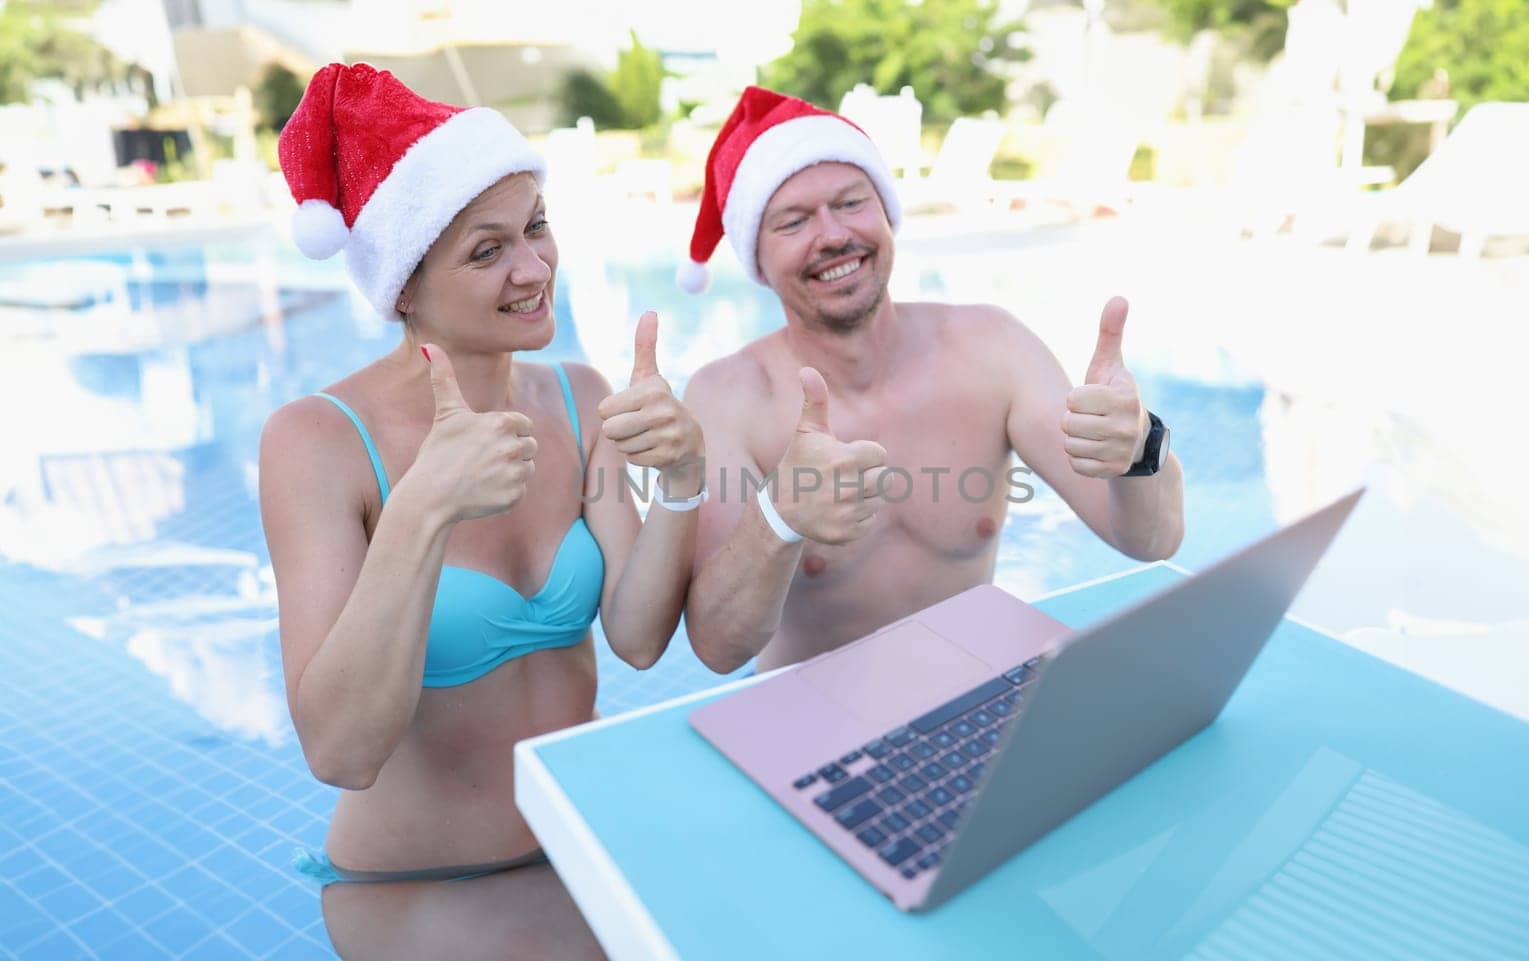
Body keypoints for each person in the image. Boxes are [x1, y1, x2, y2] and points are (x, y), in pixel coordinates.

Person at [258, 63, 706, 958]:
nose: (535, 267)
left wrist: (688, 480)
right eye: (487, 249)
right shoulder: (318, 441)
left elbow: (639, 635)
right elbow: (340, 750)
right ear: (405, 288)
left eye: (535, 227)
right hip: (419, 887)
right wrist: (422, 510)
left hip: (579, 848)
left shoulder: (579, 397)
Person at [676, 87, 1184, 673]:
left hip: (977, 689)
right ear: (758, 260)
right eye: (793, 221)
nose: (833, 235)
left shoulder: (992, 348)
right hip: (816, 717)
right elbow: (718, 647)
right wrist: (778, 521)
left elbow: (1152, 541)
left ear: (888, 214)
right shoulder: (728, 398)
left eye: (850, 202)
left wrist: (1139, 445)